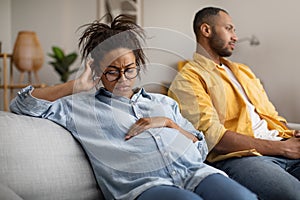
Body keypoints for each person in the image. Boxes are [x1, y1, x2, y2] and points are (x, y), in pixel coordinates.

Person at [9, 15, 257, 200]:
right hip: (144, 187)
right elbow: (21, 104)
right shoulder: (78, 107)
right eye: (112, 72)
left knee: (244, 198)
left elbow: (200, 147)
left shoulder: (163, 103)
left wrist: (169, 124)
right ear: (97, 70)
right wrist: (75, 85)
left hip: (195, 173)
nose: (123, 78)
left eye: (129, 69)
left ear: (138, 64)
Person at [168, 7, 300, 200]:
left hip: (280, 143)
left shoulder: (243, 71)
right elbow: (214, 140)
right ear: (206, 30)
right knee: (293, 194)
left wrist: (290, 136)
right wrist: (283, 148)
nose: (235, 37)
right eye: (229, 29)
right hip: (242, 157)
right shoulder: (188, 79)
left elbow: (271, 116)